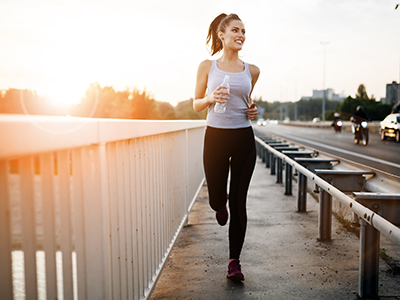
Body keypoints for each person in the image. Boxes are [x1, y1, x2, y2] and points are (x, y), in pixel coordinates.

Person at [193, 13, 259, 281]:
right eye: (235, 30)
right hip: (216, 138)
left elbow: (247, 101)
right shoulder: (207, 67)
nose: (241, 35)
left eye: (243, 31)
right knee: (216, 199)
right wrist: (210, 97)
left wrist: (253, 110)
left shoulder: (252, 70)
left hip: (243, 139)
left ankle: (234, 262)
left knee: (240, 201)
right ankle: (221, 204)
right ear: (222, 34)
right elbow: (196, 104)